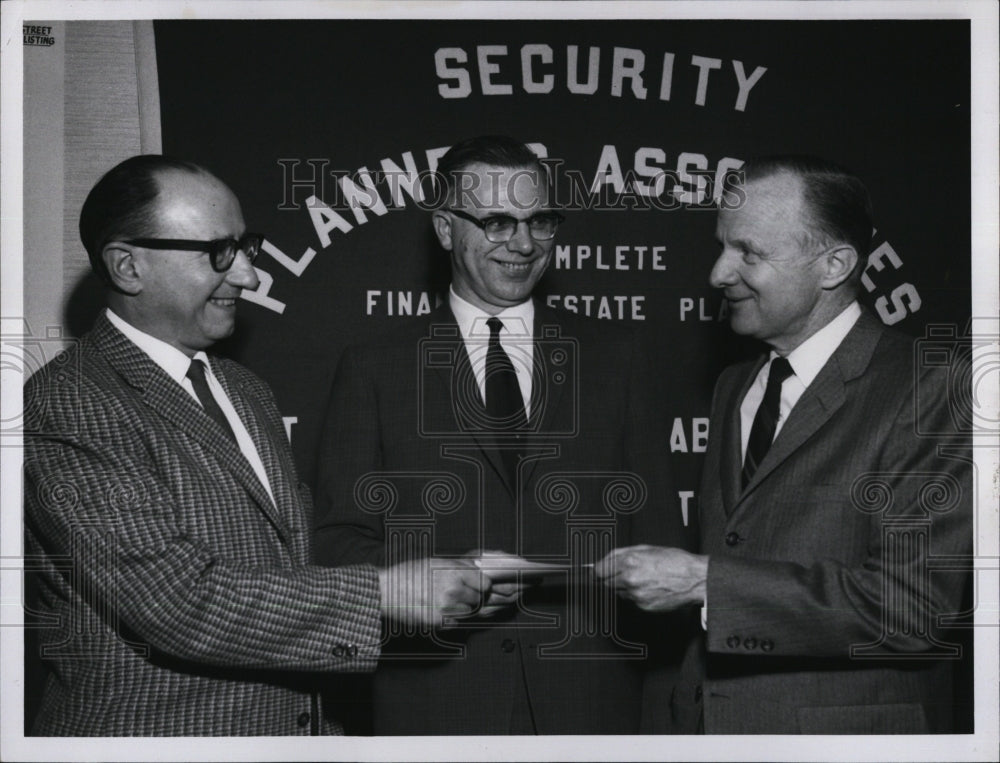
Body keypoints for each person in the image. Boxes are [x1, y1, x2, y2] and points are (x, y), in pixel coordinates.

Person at [22, 155, 492, 736]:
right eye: (218, 253)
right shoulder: (71, 401)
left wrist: (439, 570)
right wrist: (385, 593)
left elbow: (289, 560)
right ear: (127, 266)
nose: (246, 275)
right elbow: (175, 600)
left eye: (246, 247)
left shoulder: (244, 388)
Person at [313, 135, 688, 734]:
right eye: (496, 221)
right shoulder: (374, 366)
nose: (524, 242)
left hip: (593, 708)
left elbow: (660, 543)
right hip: (434, 706)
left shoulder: (618, 358)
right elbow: (337, 545)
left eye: (540, 220)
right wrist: (428, 581)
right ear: (444, 228)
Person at [595, 155, 972, 733]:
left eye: (749, 252)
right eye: (722, 246)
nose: (719, 273)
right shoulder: (735, 385)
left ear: (834, 265)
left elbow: (914, 608)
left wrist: (703, 582)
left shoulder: (931, 388)